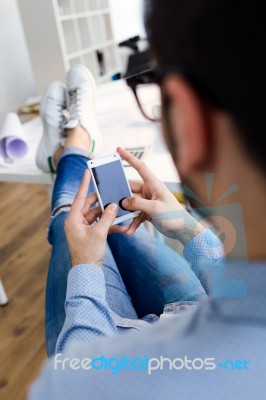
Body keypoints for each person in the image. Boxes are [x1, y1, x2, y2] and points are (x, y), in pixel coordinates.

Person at [30, 0, 266, 398]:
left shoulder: (74, 387)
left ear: (190, 124)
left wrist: (86, 267)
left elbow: (84, 374)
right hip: (200, 304)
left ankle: (71, 146)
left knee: (72, 226)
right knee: (120, 223)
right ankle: (70, 146)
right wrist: (188, 229)